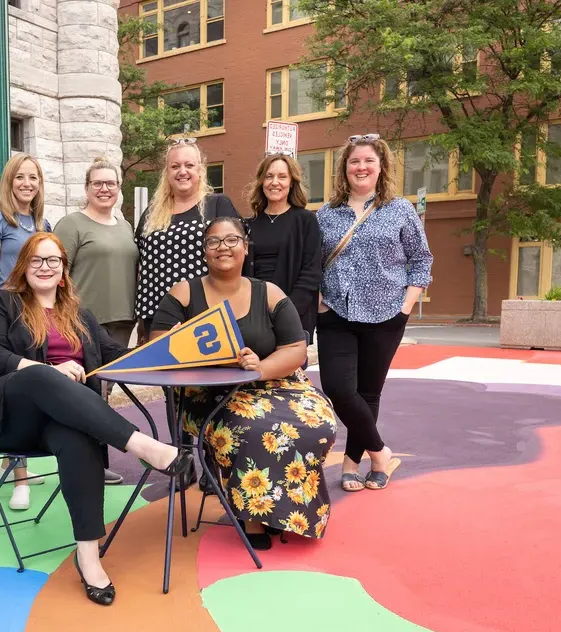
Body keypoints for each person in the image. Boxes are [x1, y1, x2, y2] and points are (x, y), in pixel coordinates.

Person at [0, 232, 192, 605]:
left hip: (60, 419)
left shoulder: (80, 315)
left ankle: (88, 556)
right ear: (24, 267)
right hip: (11, 415)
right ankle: (144, 445)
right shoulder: (3, 303)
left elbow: (116, 354)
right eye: (37, 260)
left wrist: (166, 346)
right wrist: (49, 370)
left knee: (77, 436)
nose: (45, 267)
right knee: (42, 374)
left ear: (63, 271)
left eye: (53, 261)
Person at [150, 217, 338, 550]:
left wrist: (260, 368)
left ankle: (291, 509)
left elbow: (295, 348)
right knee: (252, 426)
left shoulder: (268, 292)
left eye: (232, 239)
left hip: (272, 383)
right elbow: (159, 344)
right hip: (209, 394)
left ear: (245, 247)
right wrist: (208, 357)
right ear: (205, 251)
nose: (223, 247)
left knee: (317, 422)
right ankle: (254, 517)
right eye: (214, 241)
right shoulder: (184, 292)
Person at [315, 134, 432, 492]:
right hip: (336, 312)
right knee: (338, 389)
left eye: (368, 161)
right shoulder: (326, 214)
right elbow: (313, 262)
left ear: (381, 167)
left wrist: (405, 307)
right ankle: (380, 453)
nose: (361, 167)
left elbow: (421, 260)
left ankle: (352, 463)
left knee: (368, 393)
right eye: (354, 162)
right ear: (344, 169)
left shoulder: (399, 210)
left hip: (386, 313)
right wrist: (320, 300)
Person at [54, 157, 137, 485]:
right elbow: (57, 272)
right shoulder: (71, 224)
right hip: (84, 322)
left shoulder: (125, 226)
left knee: (102, 395)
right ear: (86, 189)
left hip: (122, 321)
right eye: (97, 183)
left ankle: (91, 461)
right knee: (88, 396)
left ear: (119, 189)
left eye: (111, 183)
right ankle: (87, 463)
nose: (104, 189)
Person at [0, 153, 54, 500]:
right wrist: (2, 315)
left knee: (33, 393)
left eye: (33, 178)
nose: (26, 184)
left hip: (39, 316)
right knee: (14, 389)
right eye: (20, 177)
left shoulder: (43, 225)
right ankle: (19, 476)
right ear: (9, 181)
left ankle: (16, 462)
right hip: (8, 315)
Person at [134, 139, 239, 344]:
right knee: (161, 374)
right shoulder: (151, 213)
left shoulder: (218, 205)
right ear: (167, 172)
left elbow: (238, 257)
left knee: (203, 374)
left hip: (204, 311)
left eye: (189, 165)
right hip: (156, 314)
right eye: (175, 166)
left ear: (200, 169)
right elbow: (141, 264)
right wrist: (140, 320)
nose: (182, 171)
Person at [242, 153, 322, 352]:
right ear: (261, 182)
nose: (274, 182)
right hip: (253, 319)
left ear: (292, 182)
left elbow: (311, 273)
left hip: (293, 316)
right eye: (269, 176)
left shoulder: (306, 221)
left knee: (289, 381)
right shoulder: (247, 224)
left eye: (282, 177)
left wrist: (284, 313)